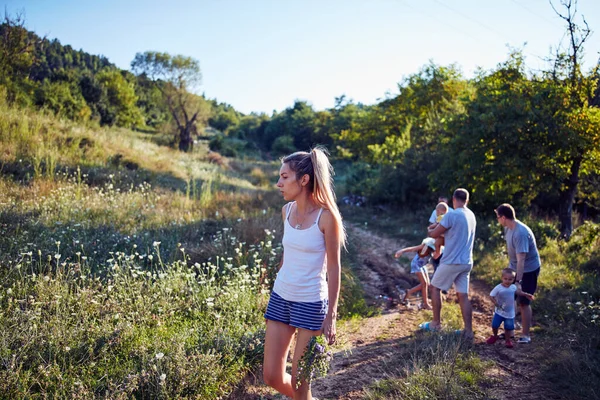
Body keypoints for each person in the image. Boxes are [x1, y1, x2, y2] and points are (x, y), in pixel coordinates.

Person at [263, 147, 345, 400]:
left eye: (284, 177)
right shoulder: (286, 211)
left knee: (300, 384)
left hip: (311, 303)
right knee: (272, 377)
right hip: (281, 297)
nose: (278, 183)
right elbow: (288, 255)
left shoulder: (326, 217)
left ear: (304, 180)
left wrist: (331, 314)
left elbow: (334, 267)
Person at [423, 188, 476, 337]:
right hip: (466, 261)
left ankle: (435, 324)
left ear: (453, 199)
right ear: (467, 200)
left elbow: (433, 234)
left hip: (452, 261)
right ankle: (468, 331)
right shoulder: (471, 215)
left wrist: (430, 229)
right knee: (463, 295)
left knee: (434, 288)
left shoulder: (451, 215)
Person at [495, 203, 541, 344]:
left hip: (528, 270)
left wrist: (518, 282)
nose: (497, 220)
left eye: (498, 217)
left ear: (503, 217)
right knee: (509, 298)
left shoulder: (520, 233)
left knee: (523, 303)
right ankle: (510, 331)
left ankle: (526, 335)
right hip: (516, 268)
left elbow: (521, 260)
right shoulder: (509, 229)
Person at [486, 268, 535, 348]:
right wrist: (496, 303)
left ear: (513, 279)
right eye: (505, 279)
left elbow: (519, 292)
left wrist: (526, 294)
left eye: (510, 279)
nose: (507, 281)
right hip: (499, 311)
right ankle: (495, 336)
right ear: (502, 278)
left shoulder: (513, 287)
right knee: (495, 325)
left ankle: (508, 340)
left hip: (509, 313)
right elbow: (491, 296)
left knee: (508, 327)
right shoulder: (498, 287)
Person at [394, 238, 438, 310]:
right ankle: (425, 304)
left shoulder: (434, 249)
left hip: (422, 265)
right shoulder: (424, 246)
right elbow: (412, 249)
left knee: (427, 284)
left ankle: (409, 292)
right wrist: (401, 251)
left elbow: (437, 256)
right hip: (416, 264)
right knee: (424, 283)